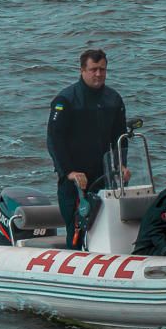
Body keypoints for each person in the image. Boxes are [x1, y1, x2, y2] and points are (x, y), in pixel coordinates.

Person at [46, 48, 131, 248]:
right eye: (93, 69)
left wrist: (121, 166)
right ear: (82, 70)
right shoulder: (65, 100)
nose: (98, 74)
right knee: (77, 229)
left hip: (104, 177)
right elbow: (54, 141)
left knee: (110, 228)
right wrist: (68, 172)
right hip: (75, 180)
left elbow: (120, 138)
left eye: (102, 69)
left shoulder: (114, 99)